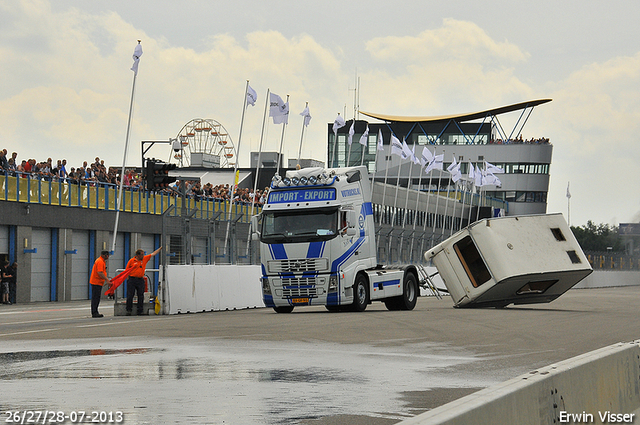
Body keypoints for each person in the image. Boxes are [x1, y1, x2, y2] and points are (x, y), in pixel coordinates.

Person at [125, 247, 162, 316]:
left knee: (141, 295)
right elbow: (127, 270)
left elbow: (153, 254)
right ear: (138, 255)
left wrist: (160, 248)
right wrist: (128, 279)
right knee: (130, 295)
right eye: (142, 254)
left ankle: (140, 310)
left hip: (140, 279)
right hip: (132, 279)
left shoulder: (144, 259)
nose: (143, 256)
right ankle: (129, 309)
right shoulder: (131, 261)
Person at [89, 251, 112, 318]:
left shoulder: (102, 261)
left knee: (96, 297)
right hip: (96, 282)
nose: (108, 257)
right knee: (96, 297)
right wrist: (107, 279)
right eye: (107, 255)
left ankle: (95, 311)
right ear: (105, 255)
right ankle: (94, 312)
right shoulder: (100, 261)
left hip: (98, 282)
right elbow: (100, 272)